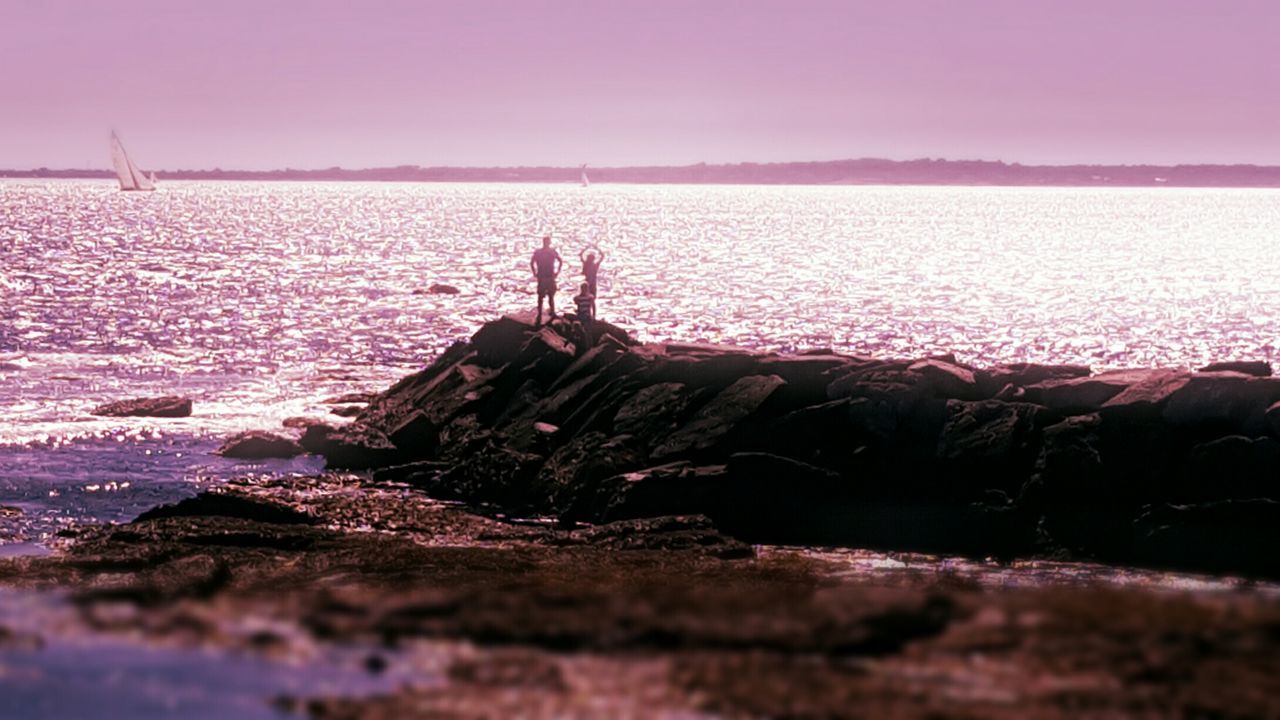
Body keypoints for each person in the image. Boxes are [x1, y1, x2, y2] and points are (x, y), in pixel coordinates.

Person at [530, 235, 563, 326]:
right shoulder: (542, 252)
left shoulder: (549, 252)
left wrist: (557, 272)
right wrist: (534, 272)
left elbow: (560, 261)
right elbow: (532, 262)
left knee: (549, 295)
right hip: (544, 276)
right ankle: (541, 314)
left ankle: (550, 312)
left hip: (548, 275)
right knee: (542, 296)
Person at [579, 245, 605, 318]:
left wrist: (587, 248)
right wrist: (594, 248)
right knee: (590, 300)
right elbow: (602, 257)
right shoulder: (591, 265)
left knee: (590, 300)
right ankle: (591, 315)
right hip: (590, 284)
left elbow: (581, 256)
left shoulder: (591, 265)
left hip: (590, 284)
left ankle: (591, 315)